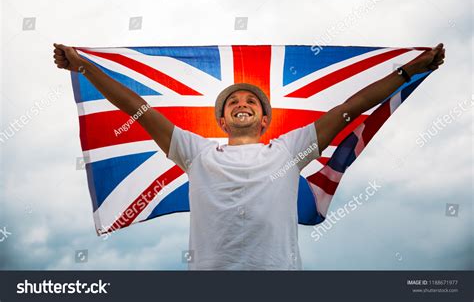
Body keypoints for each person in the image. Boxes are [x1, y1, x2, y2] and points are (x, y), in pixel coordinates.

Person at [53, 43, 445, 269]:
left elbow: (351, 106)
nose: (243, 104)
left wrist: (406, 72)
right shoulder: (196, 151)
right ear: (222, 120)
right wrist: (84, 66)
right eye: (233, 102)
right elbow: (136, 106)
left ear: (264, 118)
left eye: (252, 101)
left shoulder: (290, 149)